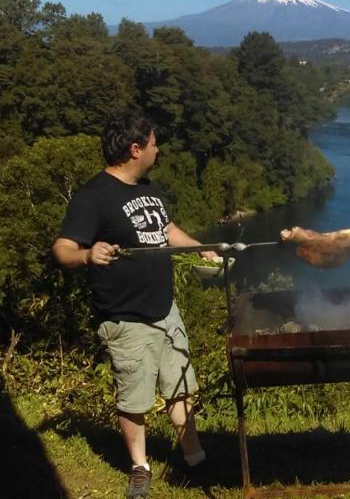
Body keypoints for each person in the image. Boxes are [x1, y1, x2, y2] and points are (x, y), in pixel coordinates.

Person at [52, 110, 215, 499]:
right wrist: (89, 255)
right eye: (155, 144)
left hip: (165, 309)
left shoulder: (151, 189)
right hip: (125, 318)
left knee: (181, 386)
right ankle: (140, 468)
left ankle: (194, 457)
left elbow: (167, 230)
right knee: (135, 397)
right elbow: (62, 250)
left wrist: (203, 250)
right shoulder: (93, 197)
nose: (159, 150)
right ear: (135, 148)